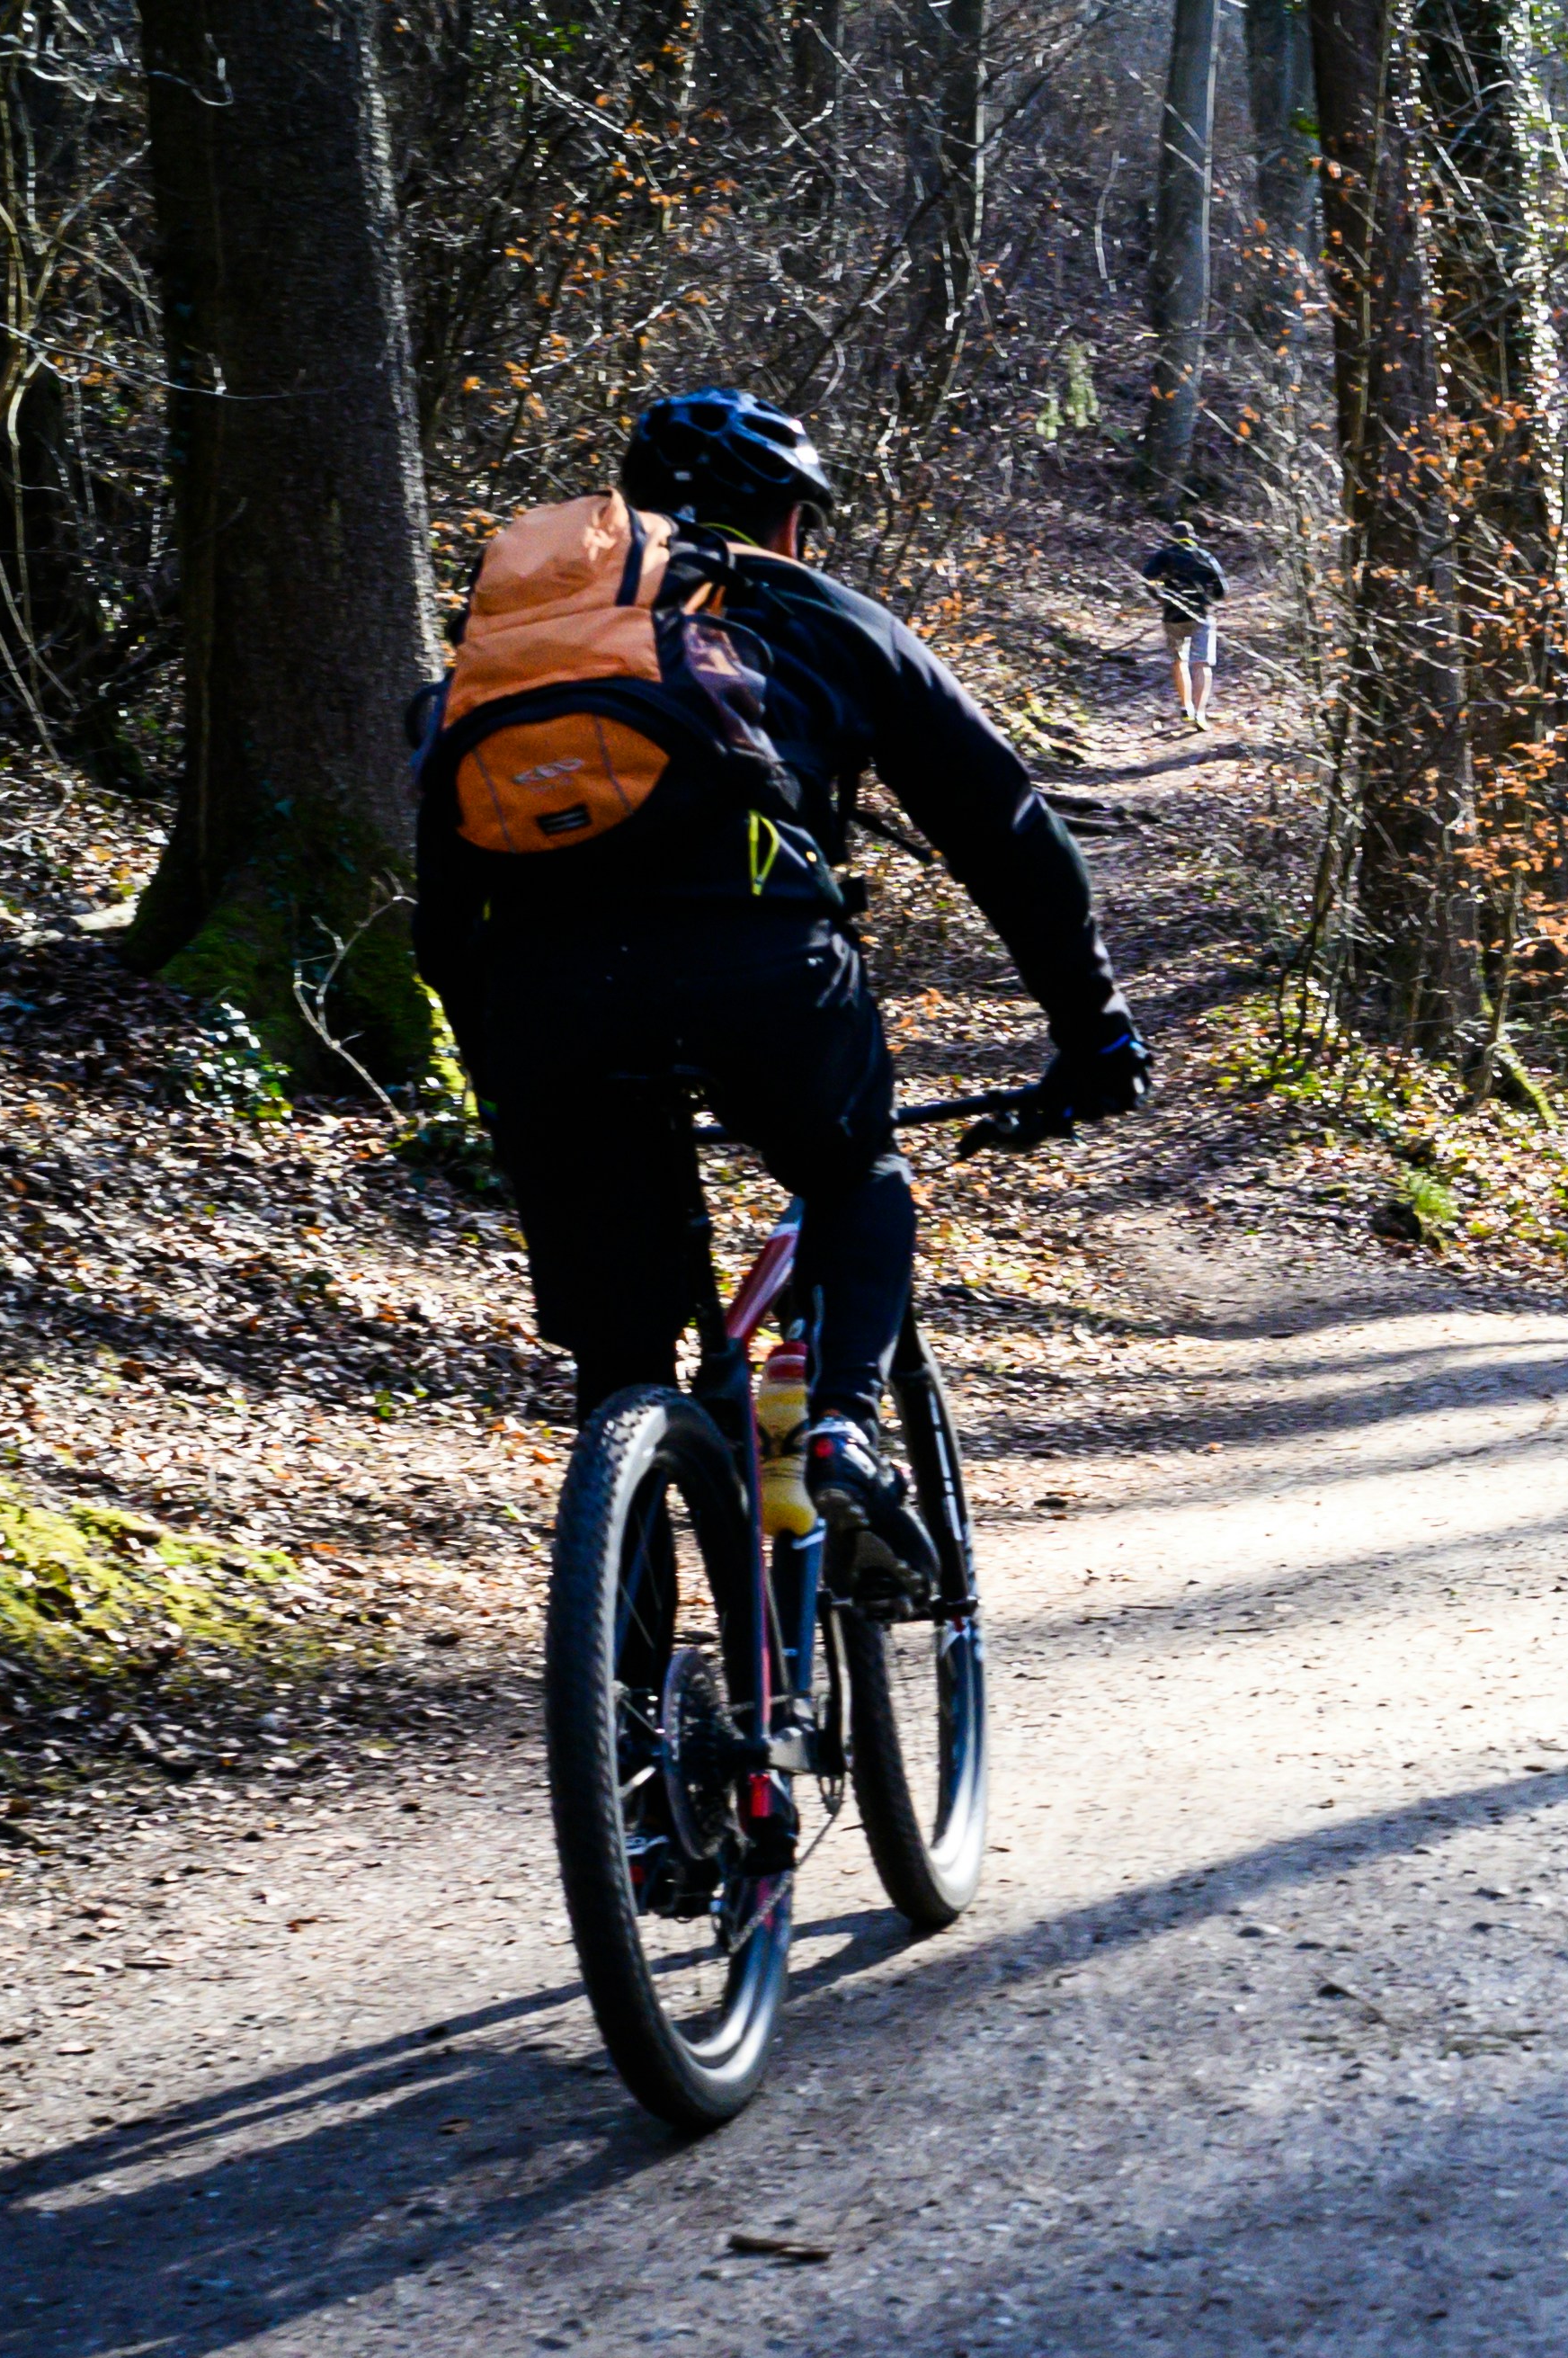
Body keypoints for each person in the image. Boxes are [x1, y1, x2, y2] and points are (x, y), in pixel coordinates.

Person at [413, 386, 1153, 1595]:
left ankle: (630, 1727)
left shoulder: (512, 646)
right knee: (852, 1173)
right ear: (790, 522)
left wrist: (501, 1069)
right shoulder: (822, 615)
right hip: (762, 975)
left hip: (542, 1003)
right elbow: (1008, 832)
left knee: (621, 1358)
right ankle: (837, 1432)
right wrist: (1092, 1032)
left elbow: (442, 905)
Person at [1140, 522, 1230, 728]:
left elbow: (1146, 578)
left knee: (1179, 660)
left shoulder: (1164, 556)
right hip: (1200, 615)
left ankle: (1186, 706)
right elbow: (1222, 589)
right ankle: (1200, 713)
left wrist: (1159, 597)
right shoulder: (1204, 556)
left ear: (1172, 537)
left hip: (1172, 616)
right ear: (1192, 536)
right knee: (1202, 663)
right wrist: (1208, 598)